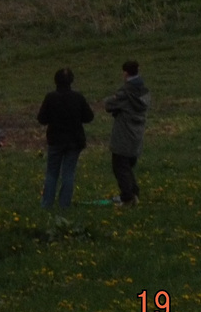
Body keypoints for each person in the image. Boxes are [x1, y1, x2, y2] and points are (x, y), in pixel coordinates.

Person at [36, 67, 94, 208]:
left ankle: (47, 203)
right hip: (75, 140)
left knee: (52, 173)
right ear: (71, 81)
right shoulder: (78, 97)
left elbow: (42, 118)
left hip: (55, 140)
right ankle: (64, 204)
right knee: (68, 173)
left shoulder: (51, 97)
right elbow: (89, 117)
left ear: (56, 81)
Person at [105, 59, 150, 206]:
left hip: (123, 135)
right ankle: (134, 192)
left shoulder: (125, 92)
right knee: (128, 167)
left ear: (125, 73)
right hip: (137, 135)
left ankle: (128, 197)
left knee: (119, 167)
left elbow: (109, 104)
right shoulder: (144, 91)